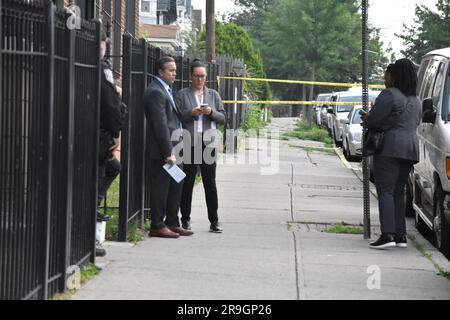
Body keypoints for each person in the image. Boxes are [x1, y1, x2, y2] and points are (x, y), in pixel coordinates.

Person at [363, 58, 421, 249]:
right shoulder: (416, 100)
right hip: (410, 149)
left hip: (390, 148)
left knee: (385, 190)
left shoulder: (390, 95)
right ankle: (400, 235)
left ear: (395, 75)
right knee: (399, 191)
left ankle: (388, 235)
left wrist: (367, 117)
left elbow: (375, 120)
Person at [143, 56, 193, 238]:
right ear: (160, 72)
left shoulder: (166, 89)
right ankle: (157, 224)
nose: (175, 73)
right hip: (163, 151)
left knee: (176, 184)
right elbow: (160, 124)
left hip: (175, 146)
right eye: (171, 70)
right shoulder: (155, 91)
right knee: (160, 188)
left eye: (175, 70)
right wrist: (168, 152)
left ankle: (173, 222)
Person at [176, 59, 226, 233]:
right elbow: (177, 117)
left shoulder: (213, 95)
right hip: (189, 142)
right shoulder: (182, 94)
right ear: (191, 76)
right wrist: (192, 113)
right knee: (187, 182)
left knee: (209, 183)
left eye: (202, 76)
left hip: (208, 143)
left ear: (206, 77)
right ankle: (186, 219)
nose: (199, 79)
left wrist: (211, 112)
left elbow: (223, 118)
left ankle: (214, 220)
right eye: (196, 76)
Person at [96, 31, 125, 256]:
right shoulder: (102, 68)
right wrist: (116, 133)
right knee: (101, 173)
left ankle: (93, 209)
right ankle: (89, 233)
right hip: (97, 135)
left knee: (112, 168)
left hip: (87, 132)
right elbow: (110, 105)